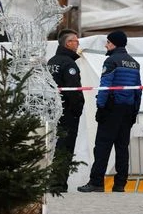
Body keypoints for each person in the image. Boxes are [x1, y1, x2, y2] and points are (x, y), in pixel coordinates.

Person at [78, 30, 141, 193]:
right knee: (122, 148)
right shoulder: (134, 63)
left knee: (102, 147)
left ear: (114, 43)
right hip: (128, 110)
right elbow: (138, 91)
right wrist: (134, 111)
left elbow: (105, 86)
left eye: (108, 42)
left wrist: (101, 106)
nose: (106, 45)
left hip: (111, 109)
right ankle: (120, 184)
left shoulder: (111, 61)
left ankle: (96, 183)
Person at [47, 29, 85, 192]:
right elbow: (73, 90)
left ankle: (55, 182)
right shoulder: (69, 64)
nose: (78, 44)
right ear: (68, 44)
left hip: (53, 110)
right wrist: (77, 109)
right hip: (67, 111)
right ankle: (59, 183)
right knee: (65, 147)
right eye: (75, 41)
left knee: (55, 146)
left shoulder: (52, 61)